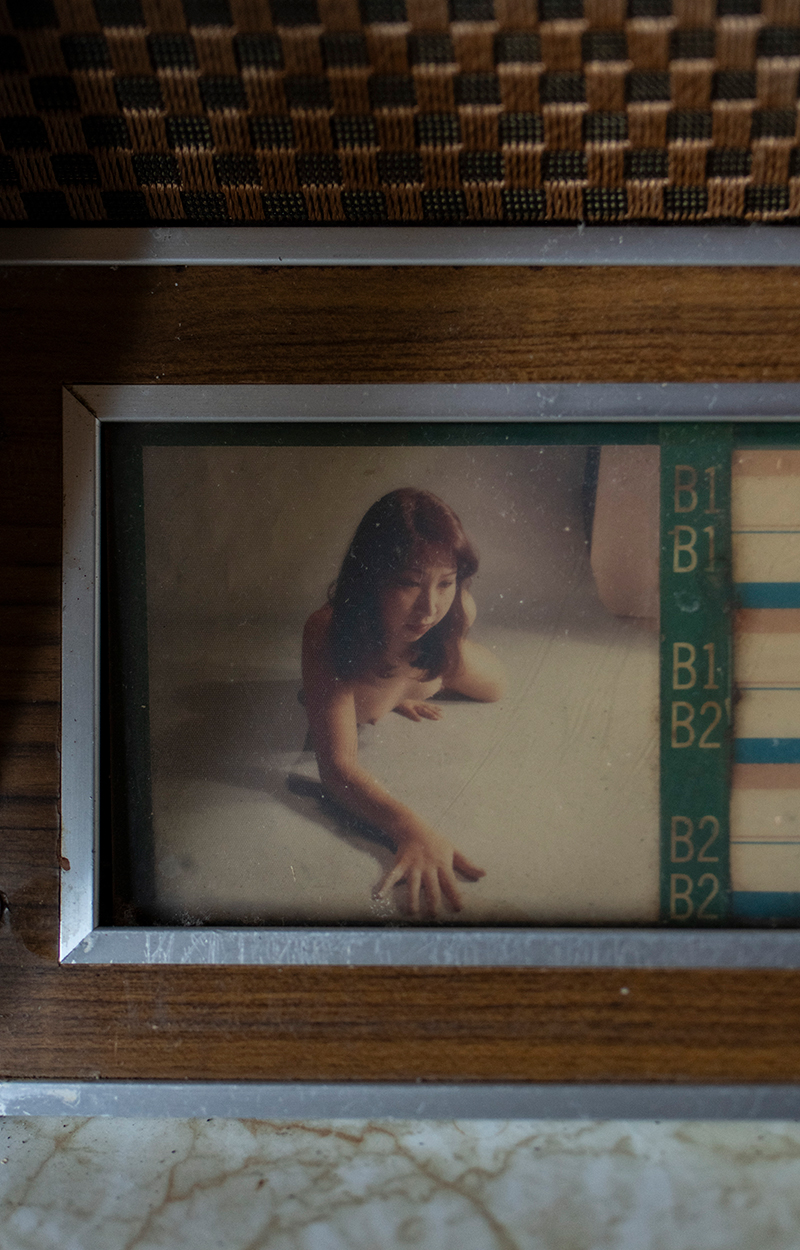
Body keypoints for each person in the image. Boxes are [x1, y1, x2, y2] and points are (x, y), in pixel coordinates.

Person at [302, 487, 506, 916]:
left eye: (446, 582)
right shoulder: (327, 631)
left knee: (495, 689)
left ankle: (412, 679)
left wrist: (425, 672)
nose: (429, 607)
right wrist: (410, 828)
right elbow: (336, 768)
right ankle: (395, 685)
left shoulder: (456, 611)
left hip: (428, 671)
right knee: (365, 704)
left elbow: (493, 685)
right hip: (374, 675)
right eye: (409, 583)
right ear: (370, 577)